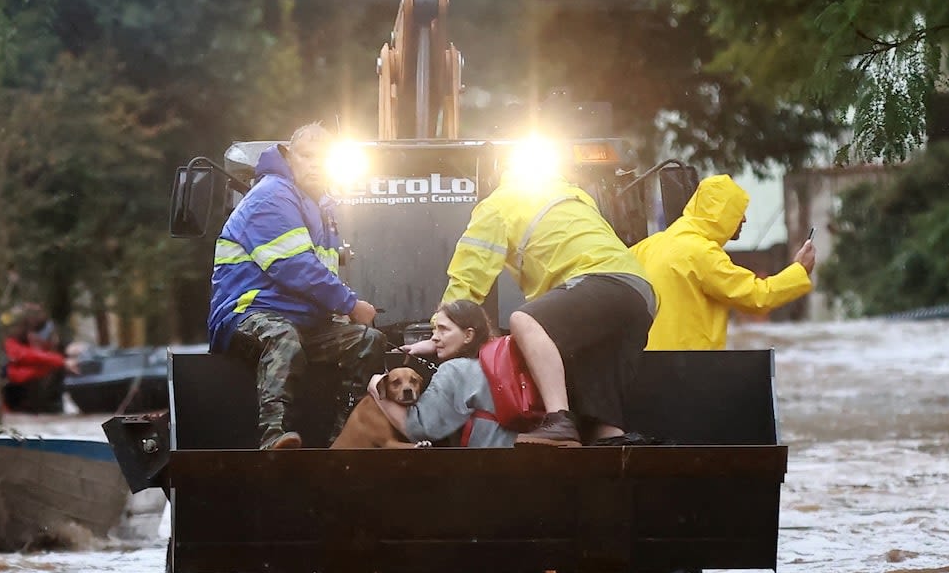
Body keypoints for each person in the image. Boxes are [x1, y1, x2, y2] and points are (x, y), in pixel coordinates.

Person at [441, 157, 656, 448]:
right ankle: (611, 445)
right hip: (639, 294)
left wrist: (443, 330)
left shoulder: (499, 203)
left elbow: (470, 272)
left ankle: (558, 421)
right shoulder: (575, 195)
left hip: (600, 281)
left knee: (525, 321)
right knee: (597, 396)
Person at [207, 122, 380, 449]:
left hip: (303, 324)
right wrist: (351, 305)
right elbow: (295, 267)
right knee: (283, 338)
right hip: (246, 313)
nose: (315, 164)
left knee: (368, 341)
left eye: (323, 158)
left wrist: (344, 314)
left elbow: (320, 274)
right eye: (307, 156)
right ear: (289, 158)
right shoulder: (271, 196)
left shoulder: (323, 207)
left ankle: (345, 439)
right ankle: (273, 437)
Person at [635, 175, 817, 351]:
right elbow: (757, 297)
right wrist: (800, 270)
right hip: (689, 371)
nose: (744, 219)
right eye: (738, 211)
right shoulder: (702, 253)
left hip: (646, 367)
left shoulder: (648, 246)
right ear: (722, 213)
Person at [401, 300, 515, 448]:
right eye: (434, 330)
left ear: (468, 335)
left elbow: (420, 428)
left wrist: (377, 386)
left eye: (443, 329)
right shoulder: (493, 364)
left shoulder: (456, 369)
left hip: (481, 464)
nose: (434, 337)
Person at [1, 303, 82, 414]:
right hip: (14, 402)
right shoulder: (10, 343)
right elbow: (20, 363)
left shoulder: (45, 342)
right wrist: (60, 362)